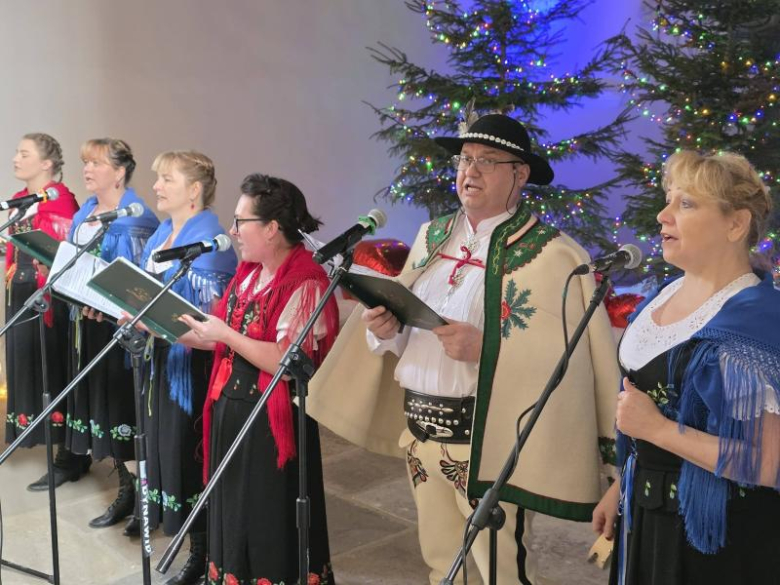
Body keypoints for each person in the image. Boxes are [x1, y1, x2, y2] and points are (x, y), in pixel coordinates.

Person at [309, 113, 620, 584]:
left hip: (487, 437)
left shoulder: (553, 254)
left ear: (520, 174)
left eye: (486, 162)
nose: (469, 172)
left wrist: (487, 347)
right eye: (465, 160)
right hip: (420, 431)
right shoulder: (433, 237)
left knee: (500, 569)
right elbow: (408, 330)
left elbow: (568, 362)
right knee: (442, 562)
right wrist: (386, 327)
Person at [591, 150, 780, 585]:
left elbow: (768, 464)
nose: (662, 215)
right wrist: (619, 491)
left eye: (686, 204)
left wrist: (657, 430)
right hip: (646, 513)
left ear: (736, 224)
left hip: (718, 538)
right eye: (668, 199)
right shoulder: (659, 298)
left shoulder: (756, 321)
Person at [178, 174, 338, 585]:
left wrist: (224, 334)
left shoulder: (306, 280)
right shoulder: (250, 272)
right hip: (233, 408)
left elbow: (286, 358)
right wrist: (162, 327)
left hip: (272, 421)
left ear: (271, 228)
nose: (232, 232)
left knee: (267, 516)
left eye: (240, 221)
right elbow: (220, 340)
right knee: (234, 511)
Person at [122, 150, 236, 585]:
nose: (156, 187)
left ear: (194, 190)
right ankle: (182, 535)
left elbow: (208, 321)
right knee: (162, 451)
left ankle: (202, 551)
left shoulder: (211, 242)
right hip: (159, 362)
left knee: (190, 459)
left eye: (167, 179)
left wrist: (147, 316)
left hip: (191, 372)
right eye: (158, 179)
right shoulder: (166, 232)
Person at [64, 138, 159, 528]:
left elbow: (139, 283)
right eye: (85, 162)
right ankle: (126, 492)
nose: (87, 169)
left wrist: (105, 302)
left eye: (96, 163)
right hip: (88, 325)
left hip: (120, 332)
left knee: (124, 414)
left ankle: (144, 503)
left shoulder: (137, 220)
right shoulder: (86, 211)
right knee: (105, 411)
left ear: (119, 171)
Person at [5, 133, 82, 489]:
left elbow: (63, 257)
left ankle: (69, 457)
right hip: (21, 293)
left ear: (47, 163)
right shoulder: (20, 201)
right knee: (29, 367)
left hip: (51, 300)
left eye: (25, 153)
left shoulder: (62, 205)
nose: (16, 158)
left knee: (53, 372)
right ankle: (53, 446)